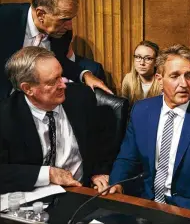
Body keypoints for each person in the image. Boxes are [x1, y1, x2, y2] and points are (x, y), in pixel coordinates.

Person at [106, 44, 190, 218]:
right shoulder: (142, 111)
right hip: (145, 203)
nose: (183, 84)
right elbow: (127, 158)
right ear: (159, 78)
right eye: (175, 76)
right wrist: (117, 184)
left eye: (189, 76)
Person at [0, 47, 112, 194]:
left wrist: (99, 172)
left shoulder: (81, 97)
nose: (63, 85)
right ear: (28, 88)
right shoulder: (6, 117)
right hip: (29, 198)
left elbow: (103, 141)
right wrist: (48, 174)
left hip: (79, 193)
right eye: (53, 81)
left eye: (61, 76)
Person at [0, 0, 111, 99]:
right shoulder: (4, 18)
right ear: (41, 14)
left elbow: (59, 61)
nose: (69, 26)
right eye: (63, 19)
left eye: (71, 19)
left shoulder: (62, 32)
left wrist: (85, 74)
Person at [121, 40, 162, 106]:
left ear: (156, 62)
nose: (142, 63)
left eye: (148, 58)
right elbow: (124, 108)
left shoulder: (162, 81)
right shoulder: (128, 79)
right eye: (138, 57)